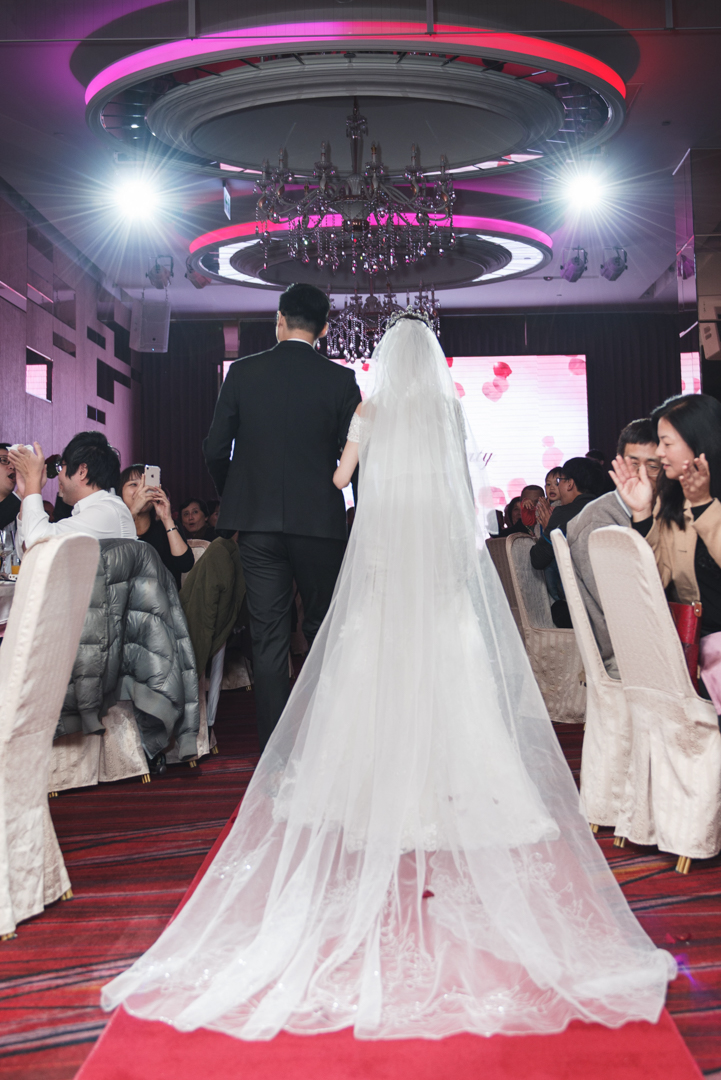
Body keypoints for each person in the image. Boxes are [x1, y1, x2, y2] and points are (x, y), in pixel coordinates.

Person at [103, 313, 674, 1040]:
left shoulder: (369, 411)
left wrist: (340, 462)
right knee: (448, 664)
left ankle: (370, 786)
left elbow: (342, 479)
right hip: (436, 562)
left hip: (383, 560)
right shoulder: (451, 412)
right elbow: (464, 491)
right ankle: (456, 786)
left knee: (371, 664)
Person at [203, 282, 361, 749]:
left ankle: (274, 750)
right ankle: (329, 743)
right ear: (325, 329)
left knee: (269, 637)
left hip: (257, 526)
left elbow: (215, 448)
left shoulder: (242, 373)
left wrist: (236, 496)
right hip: (320, 525)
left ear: (279, 320)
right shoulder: (341, 381)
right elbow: (357, 457)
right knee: (323, 630)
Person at [611, 394, 721, 713]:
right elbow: (655, 582)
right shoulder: (672, 498)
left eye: (666, 443)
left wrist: (704, 506)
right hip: (697, 649)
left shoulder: (697, 499)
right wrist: (642, 513)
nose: (659, 453)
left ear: (698, 442)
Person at [567, 419, 661, 677]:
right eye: (633, 464)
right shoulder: (599, 522)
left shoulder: (664, 509)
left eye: (653, 466)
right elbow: (624, 610)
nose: (642, 475)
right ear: (618, 463)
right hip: (631, 657)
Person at [9, 432, 136, 546]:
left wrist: (33, 479)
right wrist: (27, 492)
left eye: (62, 466)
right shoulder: (99, 510)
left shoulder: (106, 512)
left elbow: (36, 543)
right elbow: (26, 549)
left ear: (82, 471)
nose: (59, 475)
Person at [531, 457, 606, 628]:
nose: (557, 487)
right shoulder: (607, 510)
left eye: (560, 481)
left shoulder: (563, 514)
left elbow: (537, 560)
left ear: (570, 484)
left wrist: (549, 530)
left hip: (583, 608)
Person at [120, 465, 194, 588]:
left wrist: (166, 519)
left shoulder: (167, 526)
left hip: (164, 596)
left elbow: (185, 565)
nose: (142, 490)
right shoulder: (116, 527)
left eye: (146, 484)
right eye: (134, 484)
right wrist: (133, 511)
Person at [0, 444, 20, 531]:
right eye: (4, 460)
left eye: (15, 463)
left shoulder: (22, 510)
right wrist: (20, 493)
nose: (12, 467)